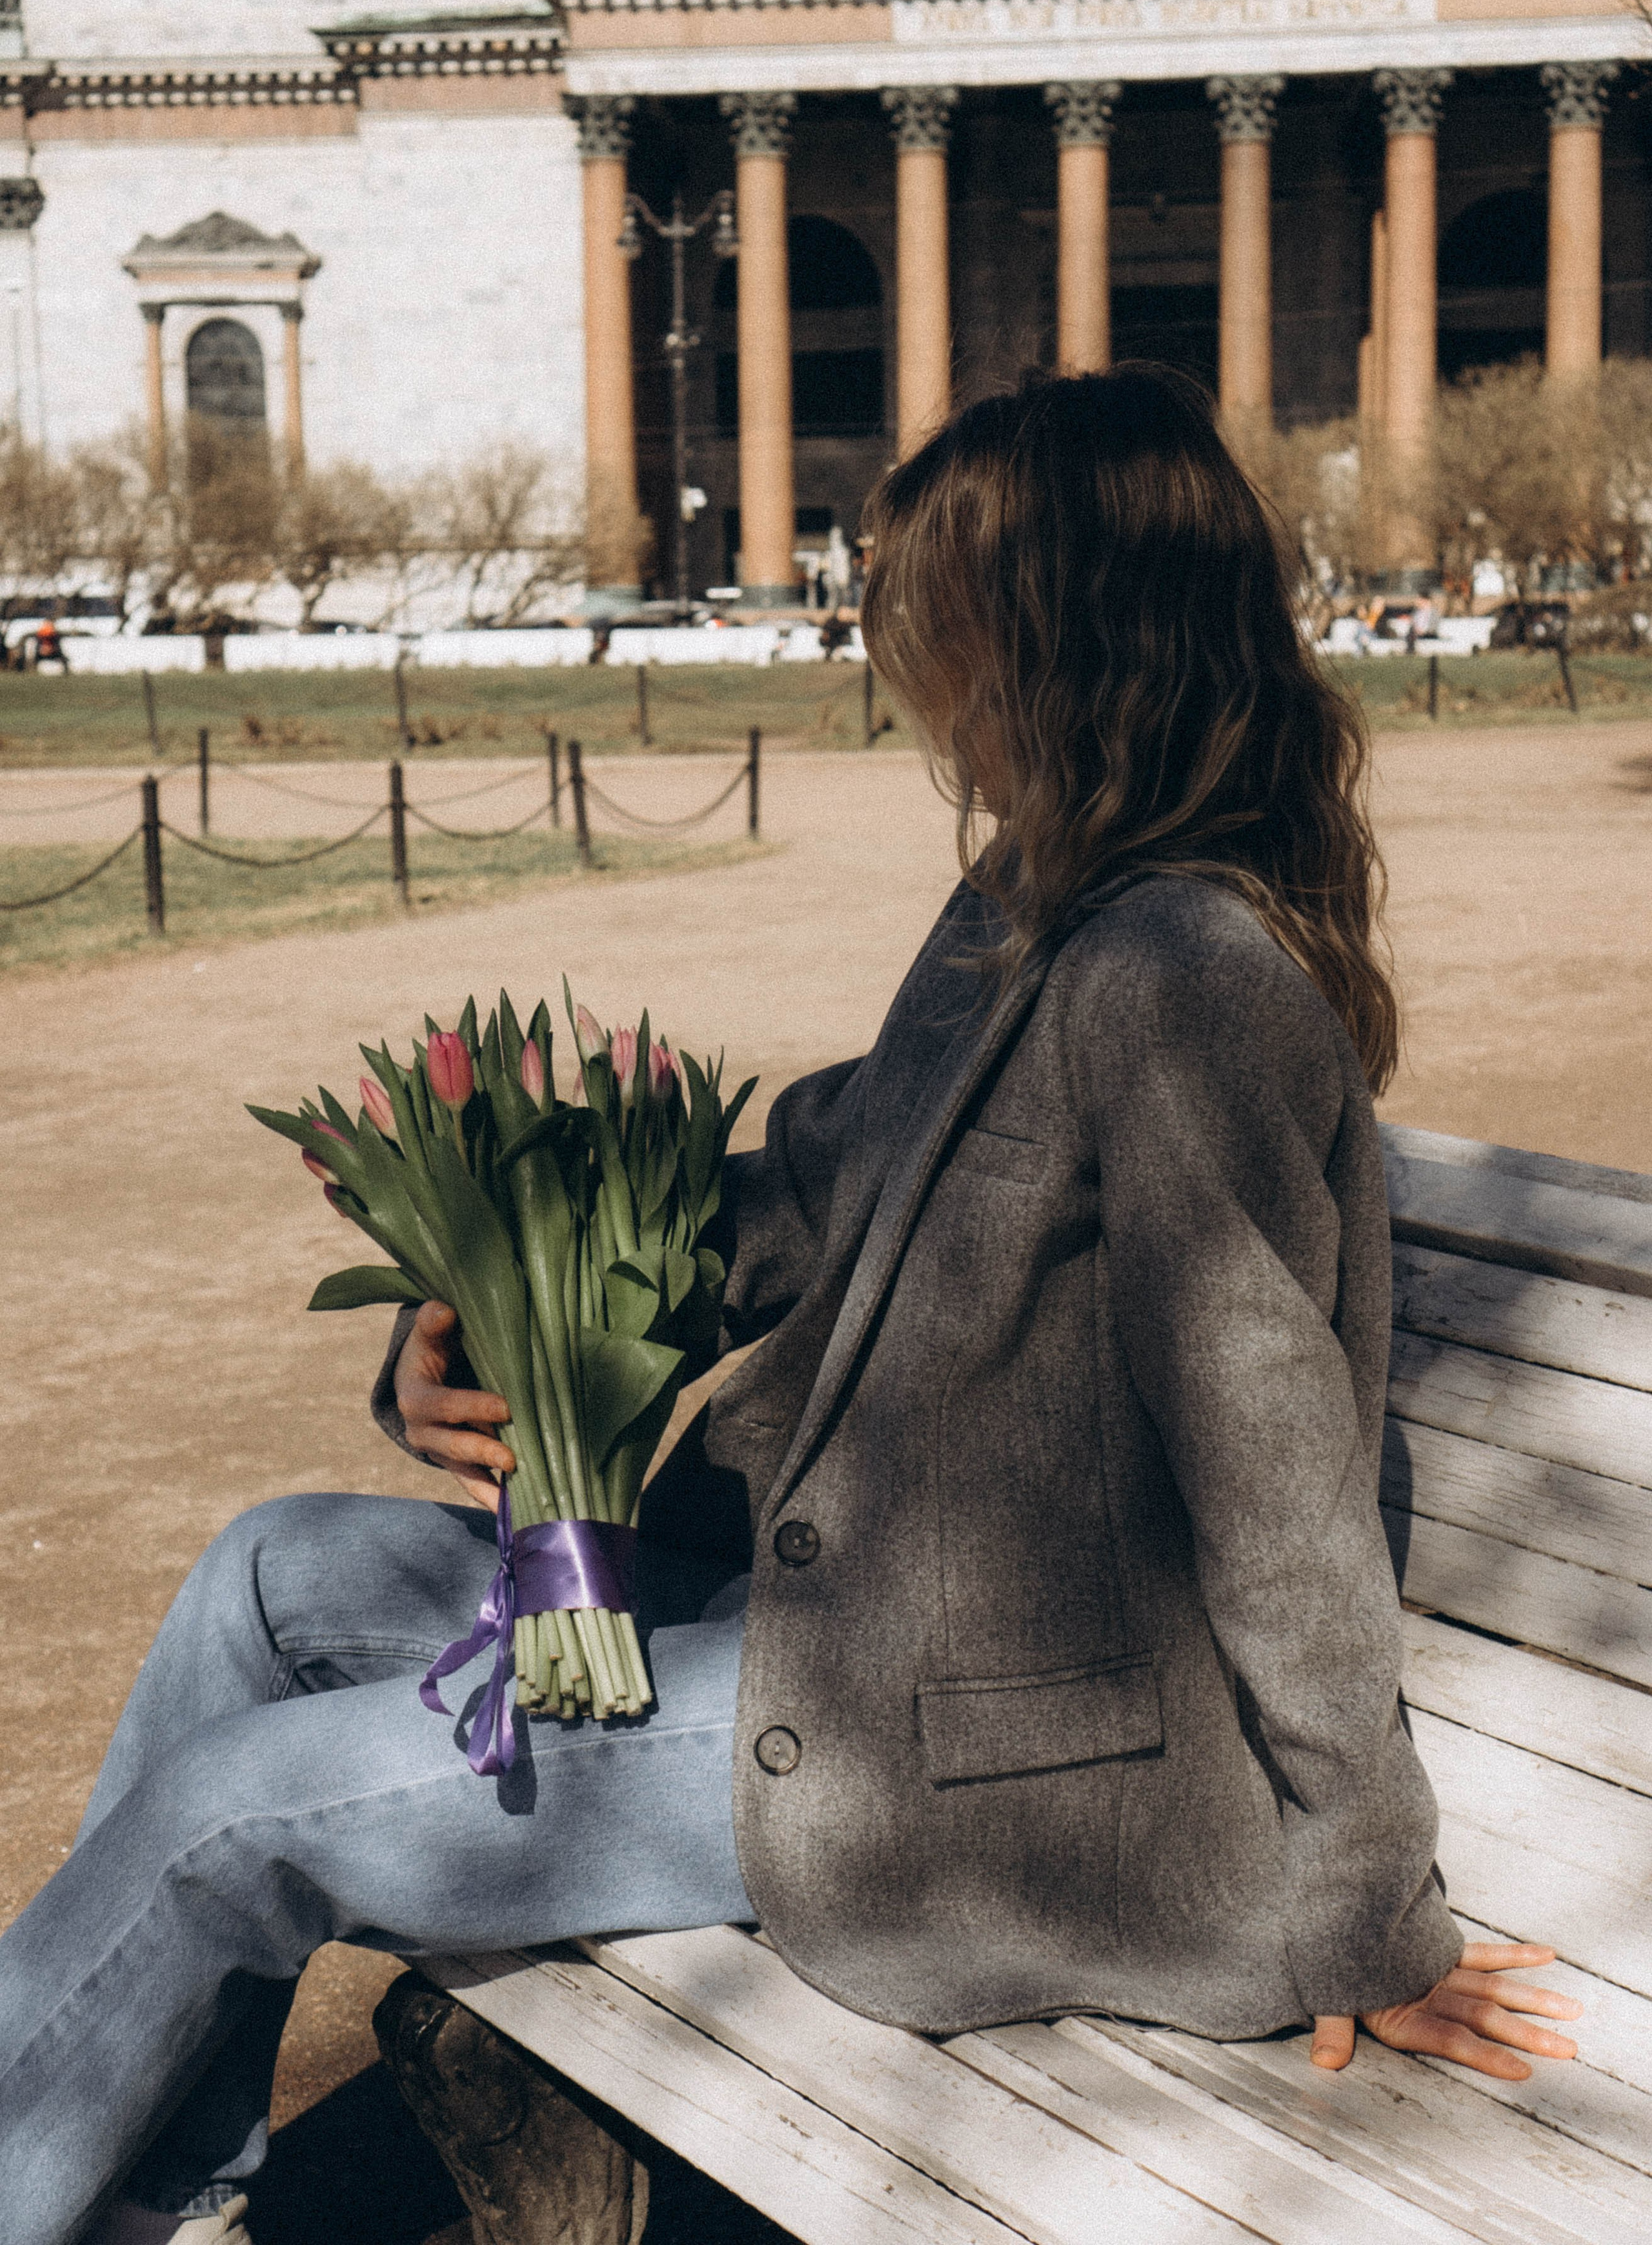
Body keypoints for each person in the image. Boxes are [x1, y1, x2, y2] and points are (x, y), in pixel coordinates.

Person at [0, 368, 1581, 2245]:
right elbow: (811, 1188)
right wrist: (517, 1313)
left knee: (233, 1816)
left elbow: (1280, 1470)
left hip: (967, 1766)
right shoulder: (1026, 911)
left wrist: (1362, 1904)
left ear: (1056, 641)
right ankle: (145, 2198)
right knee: (268, 1575)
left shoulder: (1184, 975)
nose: (908, 673)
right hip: (819, 1627)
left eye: (936, 625)